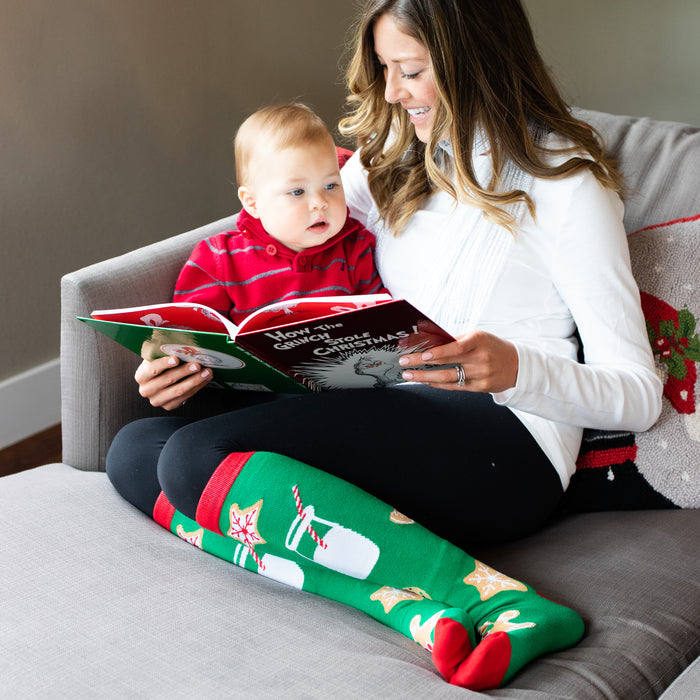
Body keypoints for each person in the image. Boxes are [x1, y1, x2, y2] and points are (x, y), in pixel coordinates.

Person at [106, 0, 662, 689]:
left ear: (471, 64)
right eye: (385, 71)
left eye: (410, 71)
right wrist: (193, 356)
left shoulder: (566, 183)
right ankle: (410, 604)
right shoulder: (391, 160)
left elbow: (639, 394)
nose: (393, 92)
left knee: (194, 458)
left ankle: (490, 600)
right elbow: (287, 233)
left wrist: (514, 368)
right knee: (136, 452)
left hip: (505, 443)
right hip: (389, 407)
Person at [173, 102, 386, 327]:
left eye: (331, 185)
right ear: (252, 203)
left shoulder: (354, 248)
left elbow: (380, 319)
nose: (320, 203)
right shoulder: (219, 259)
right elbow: (189, 331)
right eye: (297, 192)